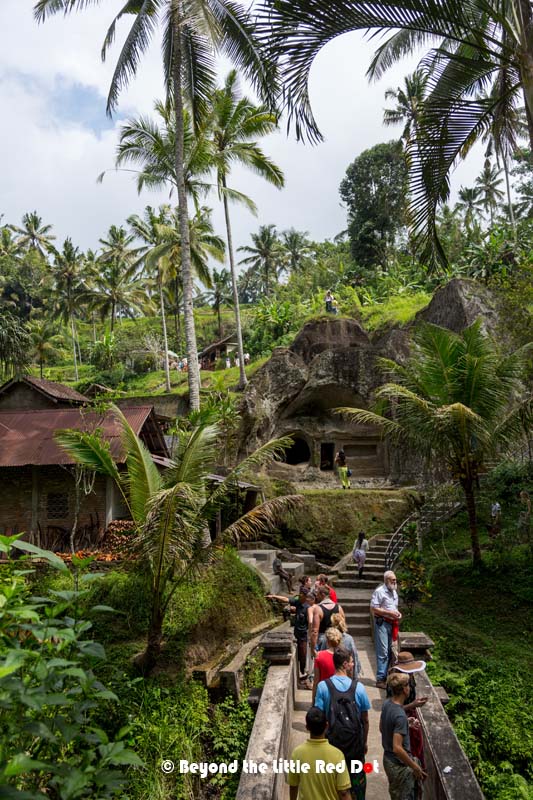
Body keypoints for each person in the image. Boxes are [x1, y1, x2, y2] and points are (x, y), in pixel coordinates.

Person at [315, 646, 371, 800]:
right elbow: (365, 720)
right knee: (356, 785)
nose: (353, 665)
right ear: (345, 664)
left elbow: (319, 718)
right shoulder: (359, 688)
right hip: (355, 746)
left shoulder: (323, 687)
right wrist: (364, 742)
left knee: (333, 786)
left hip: (332, 746)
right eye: (351, 662)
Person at [287, 706, 352, 800]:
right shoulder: (337, 755)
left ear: (307, 727)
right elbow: (343, 793)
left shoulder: (297, 754)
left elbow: (293, 786)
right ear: (326, 725)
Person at [380, 672, 427, 799]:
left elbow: (382, 728)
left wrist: (406, 723)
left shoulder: (387, 704)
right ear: (405, 689)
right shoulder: (400, 715)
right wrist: (415, 767)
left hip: (388, 759)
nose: (410, 688)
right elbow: (397, 748)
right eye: (408, 685)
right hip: (398, 764)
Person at [387, 652, 428, 781]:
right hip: (403, 717)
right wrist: (412, 705)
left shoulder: (410, 678)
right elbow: (394, 708)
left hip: (409, 717)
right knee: (408, 748)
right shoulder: (396, 684)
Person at [371, 571, 402, 689]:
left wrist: (397, 613)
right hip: (382, 624)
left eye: (395, 580)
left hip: (391, 623)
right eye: (393, 580)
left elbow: (394, 607)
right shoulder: (379, 592)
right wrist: (389, 613)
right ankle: (380, 679)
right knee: (383, 652)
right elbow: (374, 608)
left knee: (390, 651)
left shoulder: (394, 592)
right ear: (386, 580)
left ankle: (386, 676)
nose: (395, 582)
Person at [312, 627, 343, 703]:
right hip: (340, 695)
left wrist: (313, 700)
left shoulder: (319, 655)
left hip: (324, 694)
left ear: (327, 641)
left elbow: (316, 680)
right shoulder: (345, 656)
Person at [310, 585, 344, 654]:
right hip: (336, 639)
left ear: (322, 595)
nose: (316, 596)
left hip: (323, 640)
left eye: (318, 594)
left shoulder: (318, 609)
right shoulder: (339, 607)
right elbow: (343, 626)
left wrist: (313, 648)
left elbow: (315, 631)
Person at [330, 612, 362, 679]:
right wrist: (355, 677)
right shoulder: (349, 639)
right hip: (345, 673)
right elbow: (354, 656)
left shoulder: (327, 639)